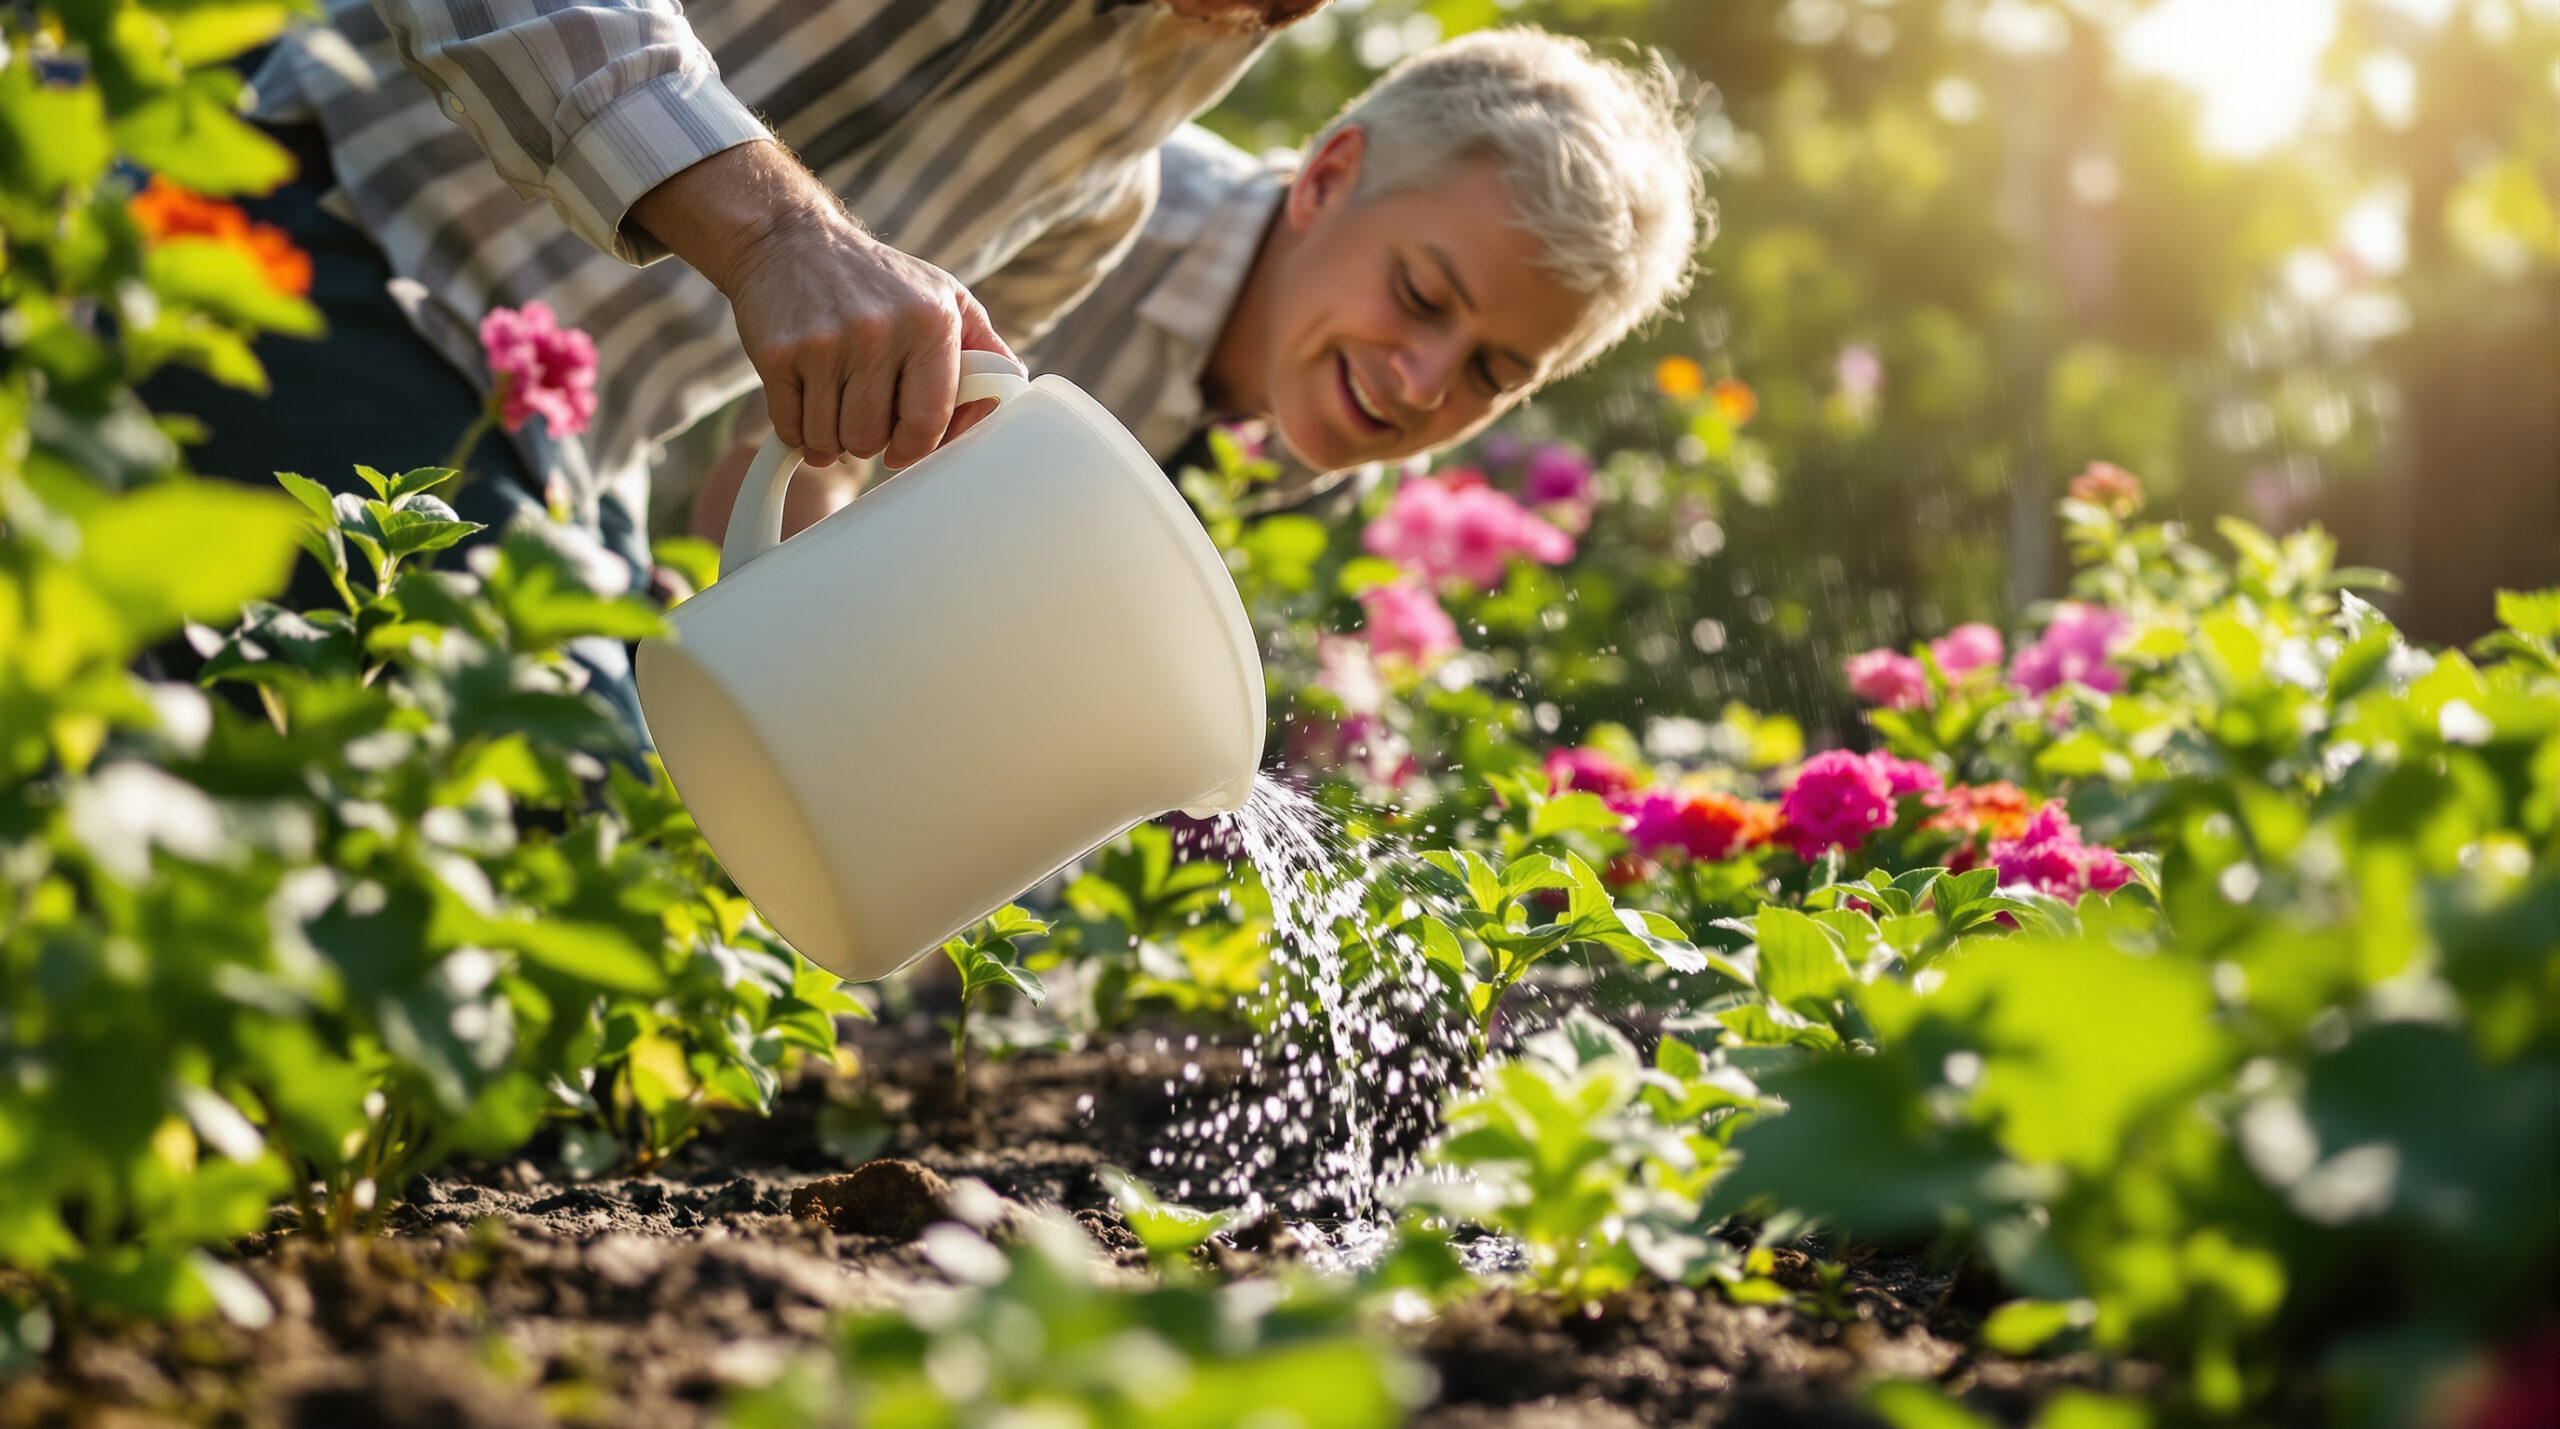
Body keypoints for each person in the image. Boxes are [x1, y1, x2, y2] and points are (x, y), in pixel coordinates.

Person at [148, 0, 1332, 606]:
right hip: (313, 219)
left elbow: (802, 460)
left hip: (549, 462)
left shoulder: (1109, 166)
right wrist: (776, 233)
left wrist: (820, 631)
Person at [666, 28, 1707, 542]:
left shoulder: (1316, 453)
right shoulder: (1082, 201)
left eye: (1495, 370)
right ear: (1330, 176)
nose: (1428, 383)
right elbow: (785, 455)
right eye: (1425, 298)